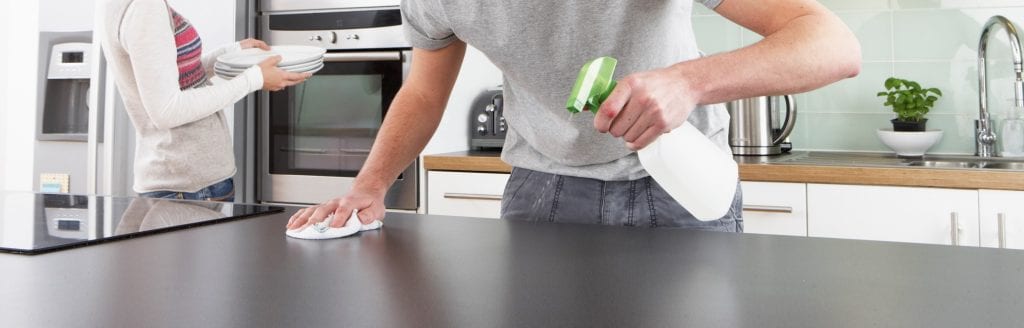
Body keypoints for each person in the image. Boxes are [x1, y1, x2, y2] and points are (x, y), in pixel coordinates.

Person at [287, 0, 861, 230]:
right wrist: (370, 183)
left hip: (677, 185)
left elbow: (834, 45)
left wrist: (688, 82)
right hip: (542, 189)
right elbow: (422, 93)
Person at [99, 0, 310, 201]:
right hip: (189, 185)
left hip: (183, 180)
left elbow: (171, 76)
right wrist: (254, 79)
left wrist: (230, 53)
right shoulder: (145, 7)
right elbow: (167, 110)